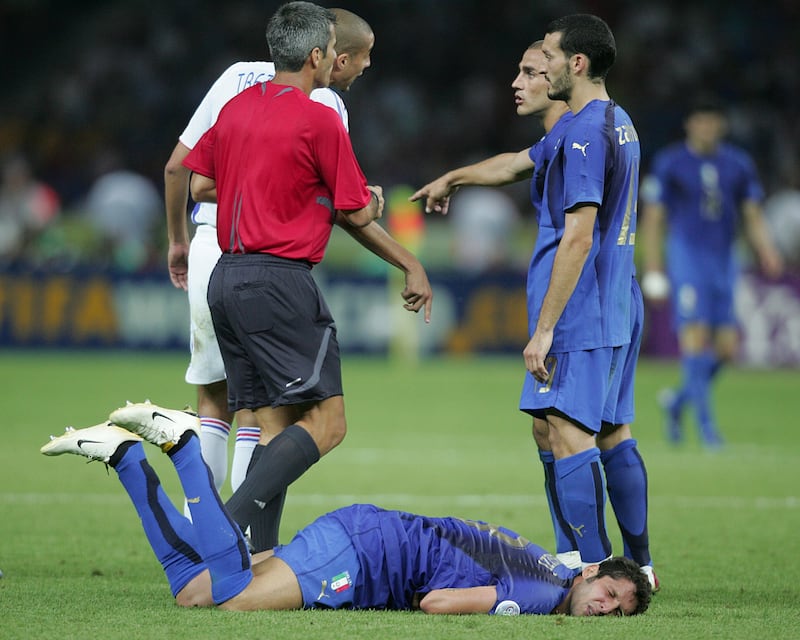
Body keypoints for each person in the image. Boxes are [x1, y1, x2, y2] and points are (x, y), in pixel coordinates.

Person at [182, 2, 433, 554]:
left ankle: (262, 555)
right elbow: (356, 211)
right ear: (318, 55)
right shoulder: (319, 116)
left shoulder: (238, 107)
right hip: (278, 281)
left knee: (271, 424)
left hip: (225, 275)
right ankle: (224, 528)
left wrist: (276, 185)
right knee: (328, 422)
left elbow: (197, 184)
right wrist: (370, 198)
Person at [40, 405, 651, 615]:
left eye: (618, 614)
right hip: (362, 557)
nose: (608, 610)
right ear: (593, 571)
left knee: (194, 594)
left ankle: (122, 457)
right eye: (614, 594)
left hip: (368, 535)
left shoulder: (547, 567)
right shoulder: (544, 596)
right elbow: (436, 602)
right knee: (232, 598)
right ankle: (183, 447)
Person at [413, 16, 642, 574]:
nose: (521, 78)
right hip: (610, 297)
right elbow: (518, 163)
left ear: (573, 65)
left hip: (581, 304)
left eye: (540, 63)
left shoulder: (584, 133)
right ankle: (620, 560)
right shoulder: (606, 123)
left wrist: (543, 328)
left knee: (570, 430)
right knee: (585, 427)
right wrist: (454, 177)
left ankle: (595, 570)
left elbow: (579, 234)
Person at [162, 8, 378, 538]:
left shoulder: (236, 83)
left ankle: (205, 531)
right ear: (327, 55)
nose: (363, 67)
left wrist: (177, 241)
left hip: (214, 248)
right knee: (270, 414)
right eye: (361, 57)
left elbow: (179, 170)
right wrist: (403, 256)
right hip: (273, 260)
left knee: (218, 398)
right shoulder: (324, 104)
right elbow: (347, 207)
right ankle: (234, 535)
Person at [640, 97, 784, 447]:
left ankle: (677, 402)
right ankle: (708, 430)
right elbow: (654, 216)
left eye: (713, 122)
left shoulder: (737, 163)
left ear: (722, 125)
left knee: (726, 350)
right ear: (690, 124)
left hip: (724, 257)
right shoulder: (671, 162)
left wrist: (767, 250)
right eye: (701, 122)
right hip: (686, 255)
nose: (707, 128)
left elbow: (751, 212)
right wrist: (653, 264)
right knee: (694, 337)